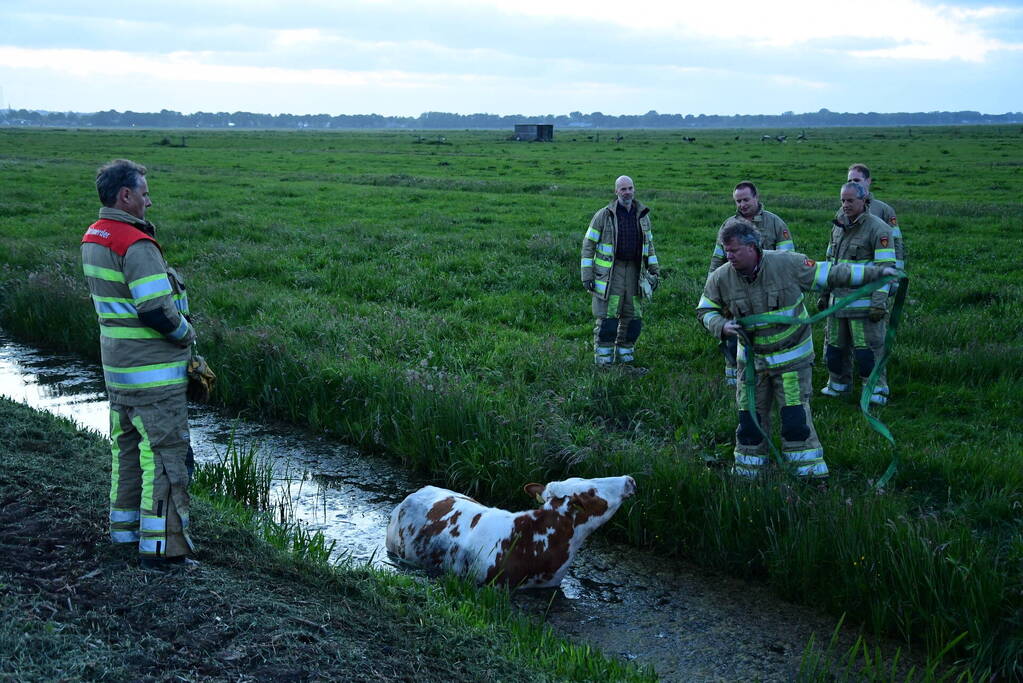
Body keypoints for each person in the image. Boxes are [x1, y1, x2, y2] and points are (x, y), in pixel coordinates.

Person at [696, 217, 898, 479]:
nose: (728, 256)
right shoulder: (721, 277)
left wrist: (878, 272)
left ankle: (809, 475)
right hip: (752, 366)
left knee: (795, 421)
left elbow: (832, 273)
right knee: (749, 421)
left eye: (734, 250)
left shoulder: (787, 263)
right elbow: (704, 309)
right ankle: (748, 473)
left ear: (753, 247)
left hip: (791, 363)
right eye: (726, 250)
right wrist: (721, 325)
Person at [81, 159, 199, 571]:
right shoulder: (135, 244)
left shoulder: (95, 236)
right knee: (165, 459)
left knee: (126, 453)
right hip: (154, 377)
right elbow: (156, 311)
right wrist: (187, 334)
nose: (150, 201)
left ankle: (125, 533)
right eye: (144, 193)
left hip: (119, 372)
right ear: (125, 196)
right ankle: (162, 549)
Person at [708, 181, 795, 386]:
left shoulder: (775, 224)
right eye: (738, 201)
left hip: (769, 291)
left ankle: (770, 372)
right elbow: (718, 259)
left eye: (746, 199)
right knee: (735, 329)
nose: (742, 204)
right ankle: (733, 373)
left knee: (769, 331)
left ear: (756, 197)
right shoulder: (728, 225)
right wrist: (712, 286)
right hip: (735, 289)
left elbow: (788, 259)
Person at [819, 182, 897, 405]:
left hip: (864, 308)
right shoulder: (838, 226)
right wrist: (824, 295)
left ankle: (876, 391)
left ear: (864, 200)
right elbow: (829, 263)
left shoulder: (879, 229)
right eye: (843, 200)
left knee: (868, 352)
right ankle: (838, 385)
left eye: (850, 200)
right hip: (837, 305)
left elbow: (885, 271)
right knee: (834, 349)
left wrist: (878, 303)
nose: (845, 205)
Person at [580, 175, 660, 369]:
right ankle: (604, 363)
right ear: (616, 192)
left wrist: (654, 271)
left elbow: (649, 245)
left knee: (633, 317)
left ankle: (626, 361)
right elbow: (588, 245)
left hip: (635, 272)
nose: (627, 192)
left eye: (630, 188)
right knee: (608, 317)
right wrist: (587, 275)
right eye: (623, 189)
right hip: (611, 274)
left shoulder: (642, 215)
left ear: (634, 189)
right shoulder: (603, 215)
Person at [842, 164, 905, 273]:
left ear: (868, 181)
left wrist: (896, 274)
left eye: (856, 180)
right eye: (849, 181)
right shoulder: (842, 211)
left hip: (871, 279)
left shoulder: (884, 210)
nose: (852, 184)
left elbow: (896, 244)